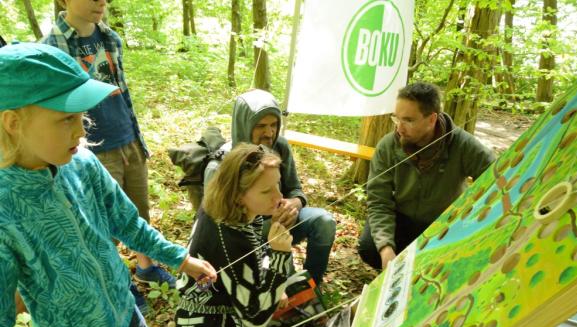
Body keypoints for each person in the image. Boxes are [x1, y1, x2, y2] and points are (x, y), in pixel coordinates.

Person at [0, 42, 217, 327]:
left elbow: (128, 223)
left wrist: (181, 259)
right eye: (66, 118)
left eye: (81, 116)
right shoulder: (5, 207)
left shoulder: (82, 163)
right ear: (13, 122)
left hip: (123, 309)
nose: (81, 131)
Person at [41, 0, 176, 301]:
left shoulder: (110, 38)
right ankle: (117, 282)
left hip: (127, 138)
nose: (101, 0)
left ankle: (146, 267)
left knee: (138, 211)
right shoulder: (52, 47)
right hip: (92, 150)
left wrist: (136, 138)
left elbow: (122, 91)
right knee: (103, 225)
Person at [176, 143, 323, 327]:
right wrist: (279, 255)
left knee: (307, 305)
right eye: (267, 190)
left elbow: (252, 271)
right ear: (237, 194)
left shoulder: (235, 212)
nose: (278, 197)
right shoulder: (229, 238)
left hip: (234, 319)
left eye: (278, 185)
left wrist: (275, 284)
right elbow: (256, 318)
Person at [359, 82, 495, 269]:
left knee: (442, 264)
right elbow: (378, 201)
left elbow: (498, 177)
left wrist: (474, 216)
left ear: (431, 120)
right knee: (370, 248)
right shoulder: (388, 146)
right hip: (403, 219)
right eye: (396, 118)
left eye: (409, 120)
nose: (399, 128)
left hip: (444, 224)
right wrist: (385, 247)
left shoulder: (462, 144)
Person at [205, 89, 336, 284]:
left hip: (283, 219)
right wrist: (271, 224)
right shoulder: (221, 166)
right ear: (244, 125)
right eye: (260, 126)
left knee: (324, 222)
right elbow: (221, 227)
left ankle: (312, 285)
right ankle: (286, 287)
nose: (269, 133)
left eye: (274, 125)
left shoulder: (279, 146)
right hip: (245, 237)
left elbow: (296, 190)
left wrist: (294, 204)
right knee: (281, 282)